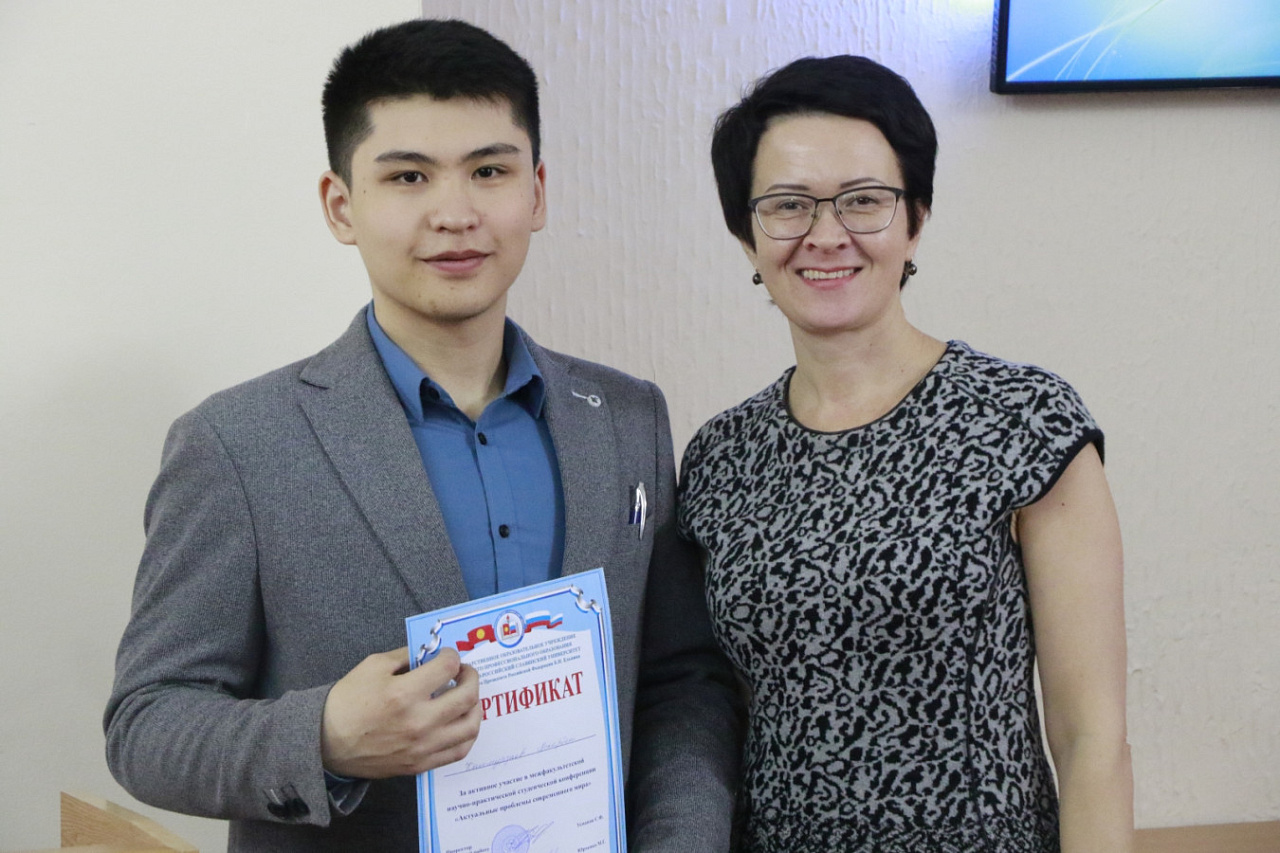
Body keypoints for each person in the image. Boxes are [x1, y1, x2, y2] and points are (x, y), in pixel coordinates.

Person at [105, 19, 741, 852]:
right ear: (342, 205)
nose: (455, 213)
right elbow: (146, 724)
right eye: (408, 176)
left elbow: (679, 681)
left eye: (489, 171)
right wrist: (326, 737)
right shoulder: (237, 443)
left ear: (537, 192)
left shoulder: (627, 417)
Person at [678, 56, 1132, 852]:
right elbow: (714, 709)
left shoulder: (1024, 420)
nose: (826, 235)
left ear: (915, 217)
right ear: (747, 236)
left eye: (863, 200)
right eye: (788, 205)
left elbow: (1091, 736)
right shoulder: (721, 457)